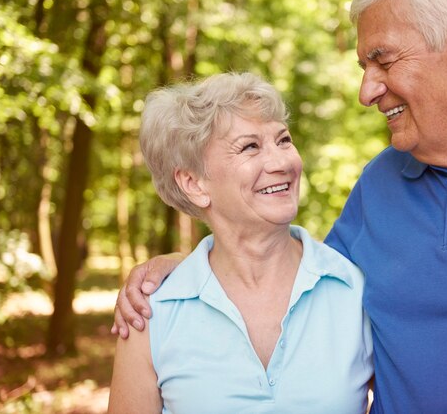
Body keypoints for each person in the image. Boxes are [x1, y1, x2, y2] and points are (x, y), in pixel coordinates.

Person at [114, 0, 447, 412]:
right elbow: (290, 277)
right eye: (364, 67)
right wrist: (182, 270)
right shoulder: (380, 185)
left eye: (384, 60)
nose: (366, 90)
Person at [107, 72, 373, 414]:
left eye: (284, 140)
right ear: (194, 183)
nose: (281, 162)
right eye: (250, 147)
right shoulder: (151, 311)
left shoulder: (354, 289)